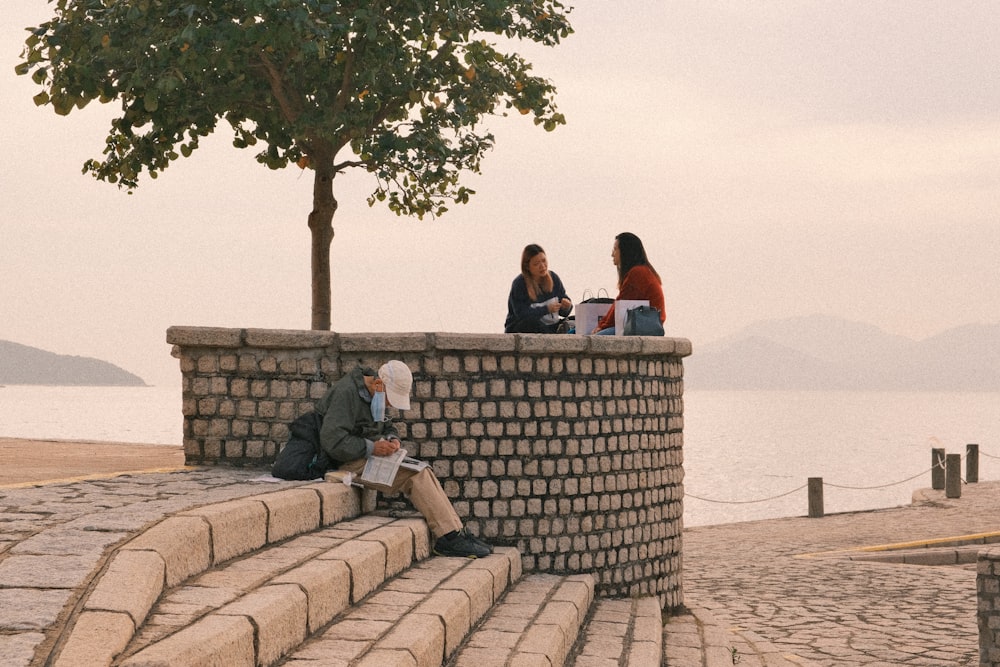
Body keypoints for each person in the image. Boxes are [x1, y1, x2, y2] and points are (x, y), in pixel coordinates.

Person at [275, 360, 493, 559]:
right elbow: (333, 441)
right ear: (379, 384)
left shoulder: (374, 394)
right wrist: (372, 448)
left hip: (363, 454)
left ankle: (456, 531)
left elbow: (386, 424)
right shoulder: (347, 394)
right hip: (344, 460)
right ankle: (448, 537)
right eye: (389, 397)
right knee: (415, 477)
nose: (389, 403)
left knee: (423, 470)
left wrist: (392, 438)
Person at [591, 232, 665, 335]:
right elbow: (619, 303)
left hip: (643, 326)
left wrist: (602, 327)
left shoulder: (638, 273)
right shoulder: (642, 271)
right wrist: (602, 325)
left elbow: (622, 303)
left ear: (625, 252)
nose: (612, 254)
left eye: (615, 249)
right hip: (643, 324)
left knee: (596, 340)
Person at [504, 244, 573, 333]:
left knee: (576, 321)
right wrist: (546, 309)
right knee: (531, 323)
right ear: (527, 267)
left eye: (544, 261)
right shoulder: (519, 284)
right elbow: (521, 314)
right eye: (536, 264)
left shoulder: (554, 278)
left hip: (551, 326)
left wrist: (566, 306)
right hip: (524, 328)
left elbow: (563, 313)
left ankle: (555, 335)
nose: (542, 266)